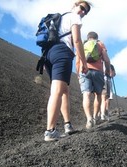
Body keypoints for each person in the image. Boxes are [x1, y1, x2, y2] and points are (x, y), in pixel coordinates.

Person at [43, 0, 92, 141]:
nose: (83, 12)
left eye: (86, 11)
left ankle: (67, 124)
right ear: (75, 5)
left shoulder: (60, 18)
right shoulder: (73, 17)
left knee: (64, 90)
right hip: (62, 54)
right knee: (57, 91)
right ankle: (50, 131)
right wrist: (83, 62)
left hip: (49, 54)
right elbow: (77, 41)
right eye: (82, 8)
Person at [76, 31, 111, 129]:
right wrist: (108, 70)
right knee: (98, 94)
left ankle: (89, 119)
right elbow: (106, 60)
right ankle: (95, 117)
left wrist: (78, 73)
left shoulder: (82, 45)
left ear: (88, 37)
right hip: (98, 72)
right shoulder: (100, 44)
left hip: (84, 71)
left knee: (86, 94)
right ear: (96, 37)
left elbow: (77, 61)